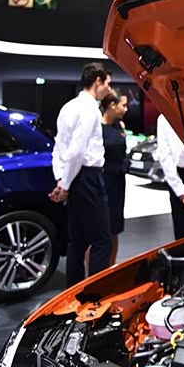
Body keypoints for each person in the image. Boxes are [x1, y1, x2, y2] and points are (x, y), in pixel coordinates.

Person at [49, 63, 112, 286]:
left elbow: (59, 148)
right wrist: (65, 186)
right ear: (98, 81)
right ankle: (95, 293)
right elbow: (77, 151)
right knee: (102, 241)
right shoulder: (89, 109)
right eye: (107, 83)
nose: (108, 89)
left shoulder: (68, 107)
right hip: (87, 178)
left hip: (73, 177)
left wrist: (61, 179)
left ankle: (74, 291)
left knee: (77, 241)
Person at [100, 90, 128, 266]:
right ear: (112, 105)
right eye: (123, 105)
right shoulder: (97, 128)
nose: (126, 109)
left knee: (115, 228)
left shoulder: (120, 125)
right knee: (99, 229)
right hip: (103, 182)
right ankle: (93, 273)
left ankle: (111, 267)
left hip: (118, 182)